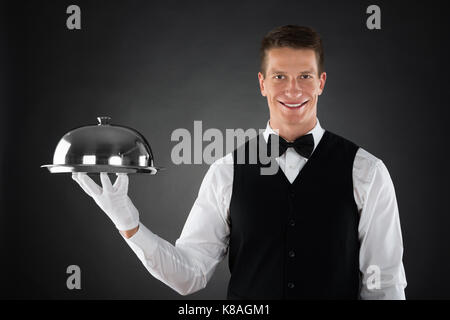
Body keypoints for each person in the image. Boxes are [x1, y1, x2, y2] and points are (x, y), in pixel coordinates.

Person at [72, 25, 407, 300]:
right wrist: (129, 226)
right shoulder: (226, 171)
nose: (293, 90)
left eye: (305, 75)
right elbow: (189, 275)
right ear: (262, 83)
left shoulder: (366, 171)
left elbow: (385, 286)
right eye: (279, 77)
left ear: (321, 83)